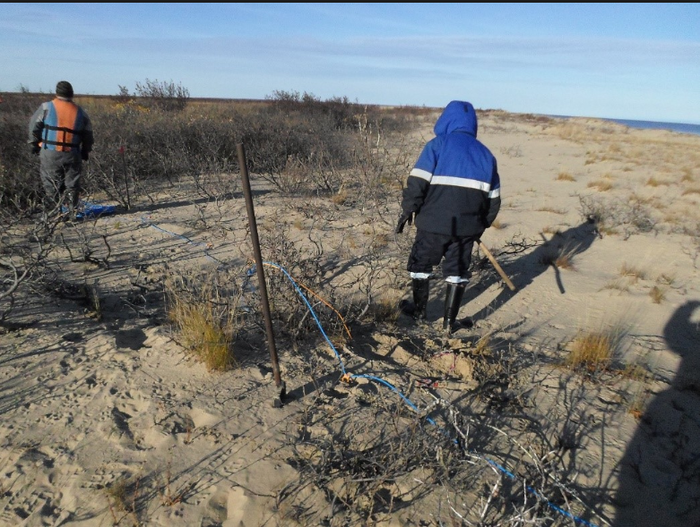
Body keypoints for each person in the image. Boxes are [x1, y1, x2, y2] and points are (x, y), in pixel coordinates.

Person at [396, 100, 501, 334]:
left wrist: (408, 210)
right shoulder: (487, 155)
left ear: (446, 120)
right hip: (467, 229)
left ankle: (419, 313)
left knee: (421, 264)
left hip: (432, 224)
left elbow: (417, 183)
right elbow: (494, 200)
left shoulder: (437, 145)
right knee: (457, 271)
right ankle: (448, 323)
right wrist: (480, 225)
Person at [28, 81, 93, 219]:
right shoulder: (81, 112)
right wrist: (85, 151)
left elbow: (34, 127)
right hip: (73, 153)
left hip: (50, 153)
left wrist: (34, 145)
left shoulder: (46, 107)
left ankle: (54, 215)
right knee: (72, 185)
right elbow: (88, 134)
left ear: (57, 93)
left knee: (51, 184)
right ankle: (72, 213)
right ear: (72, 94)